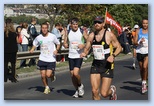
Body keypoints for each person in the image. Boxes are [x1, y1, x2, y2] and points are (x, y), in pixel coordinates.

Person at [80, 16, 122, 100]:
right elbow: (87, 48)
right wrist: (84, 53)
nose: (97, 24)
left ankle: (112, 91)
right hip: (96, 64)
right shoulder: (92, 35)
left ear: (103, 24)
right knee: (94, 91)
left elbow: (119, 47)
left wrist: (113, 56)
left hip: (107, 65)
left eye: (99, 22)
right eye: (95, 22)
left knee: (104, 93)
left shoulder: (109, 35)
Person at [30, 22, 60, 94]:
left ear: (48, 29)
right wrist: (32, 49)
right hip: (42, 58)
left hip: (51, 59)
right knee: (43, 75)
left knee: (48, 75)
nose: (44, 30)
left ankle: (52, 75)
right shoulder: (38, 37)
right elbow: (35, 44)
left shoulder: (52, 36)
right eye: (43, 28)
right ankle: (46, 87)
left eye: (45, 28)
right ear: (41, 29)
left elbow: (58, 43)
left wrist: (56, 50)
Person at [63, 17, 88, 98]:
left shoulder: (81, 31)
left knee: (76, 73)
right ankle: (77, 90)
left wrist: (83, 45)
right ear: (71, 25)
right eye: (73, 24)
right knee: (72, 75)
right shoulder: (68, 31)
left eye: (76, 24)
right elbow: (65, 42)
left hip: (79, 55)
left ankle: (80, 85)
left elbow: (89, 41)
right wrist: (65, 44)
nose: (75, 26)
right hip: (71, 55)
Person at [134, 19, 148, 94]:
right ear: (142, 24)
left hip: (148, 52)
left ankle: (144, 84)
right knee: (141, 68)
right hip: (140, 51)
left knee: (145, 67)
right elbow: (135, 42)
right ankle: (144, 80)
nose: (145, 25)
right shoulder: (138, 31)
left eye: (146, 23)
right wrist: (140, 41)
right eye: (144, 23)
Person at [4, 18, 19, 82]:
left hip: (5, 50)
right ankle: (13, 78)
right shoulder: (14, 33)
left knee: (5, 65)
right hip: (13, 50)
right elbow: (17, 41)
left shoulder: (4, 33)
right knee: (13, 65)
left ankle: (4, 78)